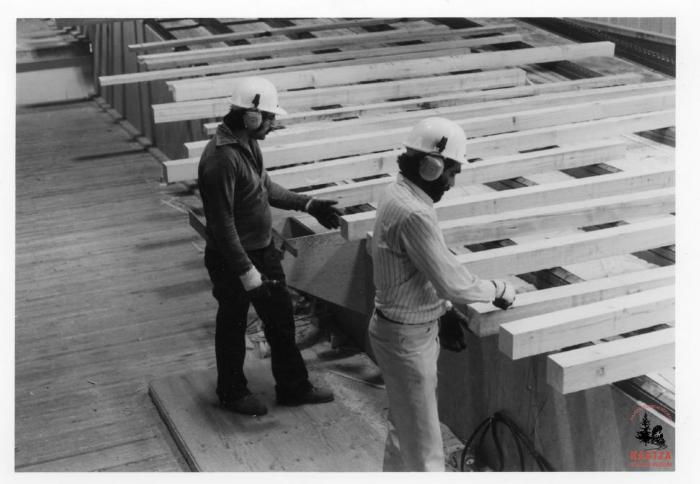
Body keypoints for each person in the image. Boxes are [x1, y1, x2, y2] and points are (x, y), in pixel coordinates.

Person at [369, 117, 516, 471]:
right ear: (432, 166)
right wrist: (495, 289)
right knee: (426, 452)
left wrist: (443, 309)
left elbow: (422, 265)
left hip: (397, 330)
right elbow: (453, 281)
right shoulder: (415, 212)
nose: (451, 182)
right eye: (451, 172)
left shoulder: (398, 192)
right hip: (407, 339)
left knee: (405, 431)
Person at [198, 76, 342, 416]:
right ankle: (232, 393)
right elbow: (222, 227)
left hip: (261, 251)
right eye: (269, 117)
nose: (274, 124)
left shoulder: (247, 143)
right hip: (233, 258)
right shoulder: (221, 160)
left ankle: (293, 387)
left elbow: (265, 187)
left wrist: (308, 204)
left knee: (280, 320)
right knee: (232, 322)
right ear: (250, 116)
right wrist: (247, 273)